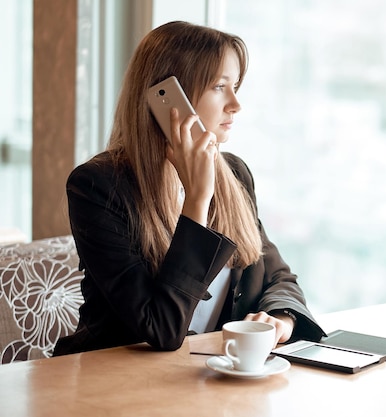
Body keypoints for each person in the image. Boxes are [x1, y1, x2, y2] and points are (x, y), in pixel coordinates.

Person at [53, 21, 325, 356]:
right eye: (218, 87)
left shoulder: (234, 174)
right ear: (166, 99)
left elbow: (278, 277)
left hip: (207, 382)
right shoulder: (98, 187)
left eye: (235, 86)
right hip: (116, 387)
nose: (235, 104)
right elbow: (160, 329)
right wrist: (197, 201)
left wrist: (280, 321)